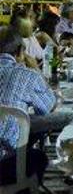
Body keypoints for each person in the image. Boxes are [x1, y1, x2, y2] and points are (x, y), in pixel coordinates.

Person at [0, 28, 55, 185]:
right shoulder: (26, 75)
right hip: (4, 165)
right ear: (20, 51)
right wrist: (36, 69)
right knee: (38, 156)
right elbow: (47, 107)